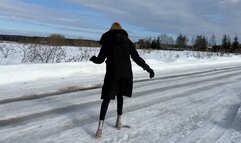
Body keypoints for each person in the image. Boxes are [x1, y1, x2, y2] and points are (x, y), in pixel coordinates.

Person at [90, 22, 154, 138]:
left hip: (112, 73)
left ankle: (100, 128)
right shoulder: (128, 42)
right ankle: (119, 121)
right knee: (120, 95)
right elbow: (136, 57)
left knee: (106, 98)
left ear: (111, 30)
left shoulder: (108, 41)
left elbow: (100, 60)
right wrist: (147, 68)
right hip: (125, 73)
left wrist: (93, 59)